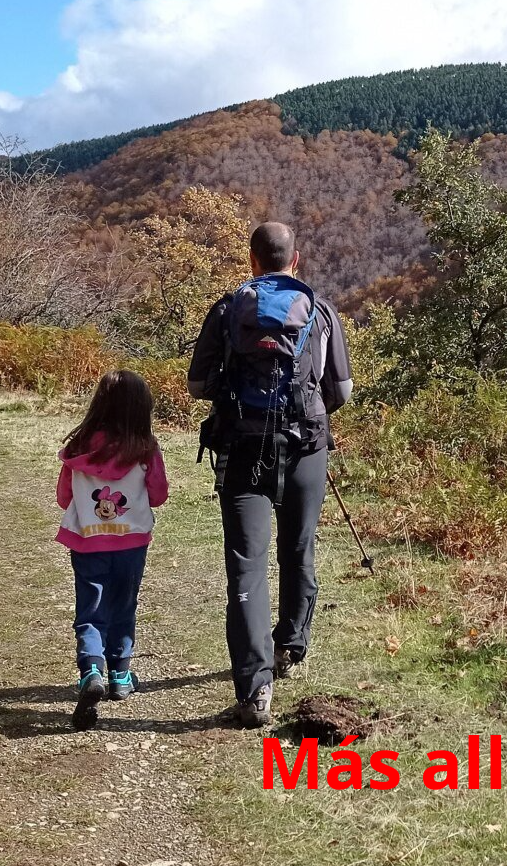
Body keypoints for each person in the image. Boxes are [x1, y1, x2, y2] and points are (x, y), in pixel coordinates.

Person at [188, 221, 353, 728]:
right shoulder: (320, 312)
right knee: (298, 548)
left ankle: (255, 690)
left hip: (242, 451)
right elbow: (340, 392)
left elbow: (198, 384)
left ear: (253, 261)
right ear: (295, 260)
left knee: (246, 565)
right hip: (305, 449)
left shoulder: (227, 309)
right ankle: (291, 644)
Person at [56, 369, 168, 731]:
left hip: (87, 540)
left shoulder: (77, 448)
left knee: (90, 608)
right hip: (132, 542)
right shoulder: (146, 449)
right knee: (124, 604)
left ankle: (91, 669)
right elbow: (158, 495)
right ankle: (121, 675)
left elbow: (63, 498)